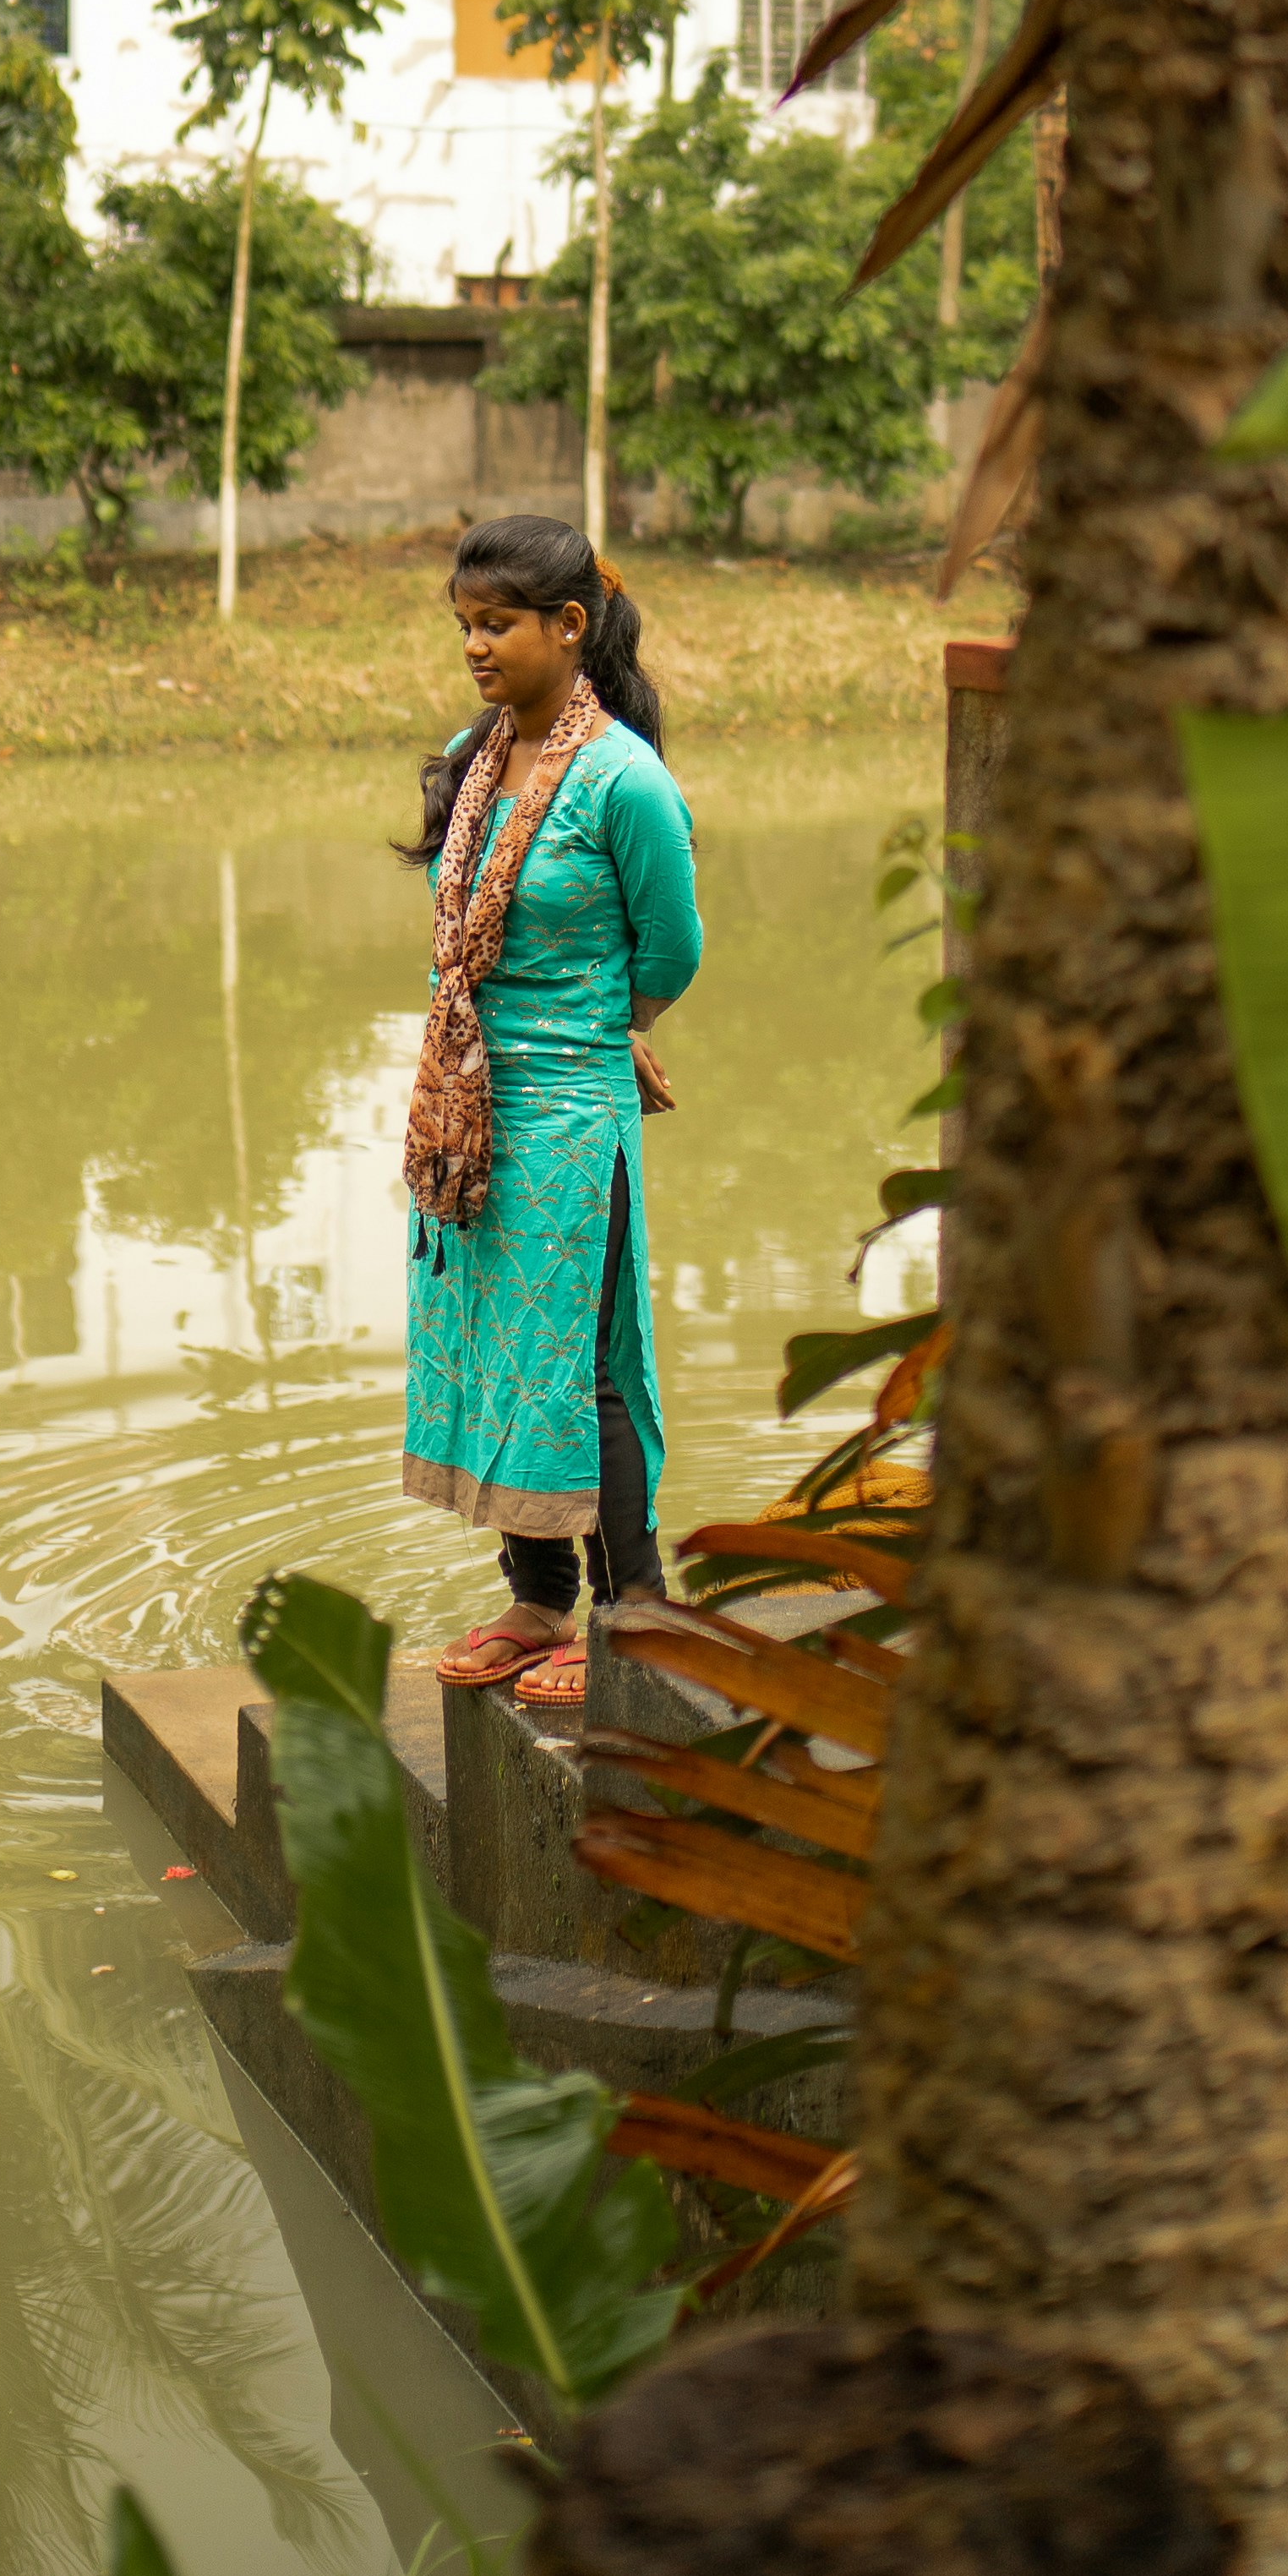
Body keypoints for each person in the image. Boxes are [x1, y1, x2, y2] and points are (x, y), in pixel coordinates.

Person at [397, 511, 701, 1705]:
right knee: (492, 1347)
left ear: (568, 627)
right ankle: (535, 1600)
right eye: (465, 623)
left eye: (499, 623)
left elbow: (668, 955)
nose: (475, 644)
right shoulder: (472, 756)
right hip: (466, 1105)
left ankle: (634, 1608)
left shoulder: (624, 779)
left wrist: (570, 1030)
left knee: (583, 1357)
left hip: (572, 1110)